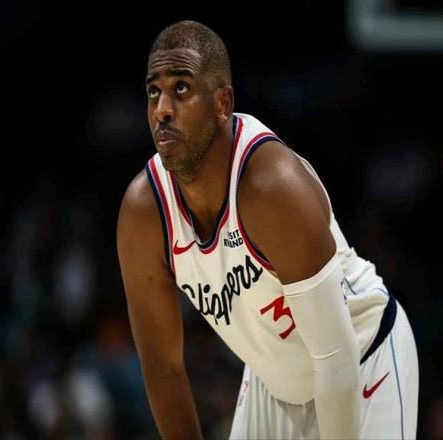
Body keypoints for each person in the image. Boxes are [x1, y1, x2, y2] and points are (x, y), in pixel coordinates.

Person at [117, 20, 419, 439]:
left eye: (181, 88)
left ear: (223, 103)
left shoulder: (272, 186)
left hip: (361, 358)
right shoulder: (144, 213)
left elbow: (335, 357)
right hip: (274, 386)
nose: (162, 110)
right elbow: (163, 369)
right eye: (154, 91)